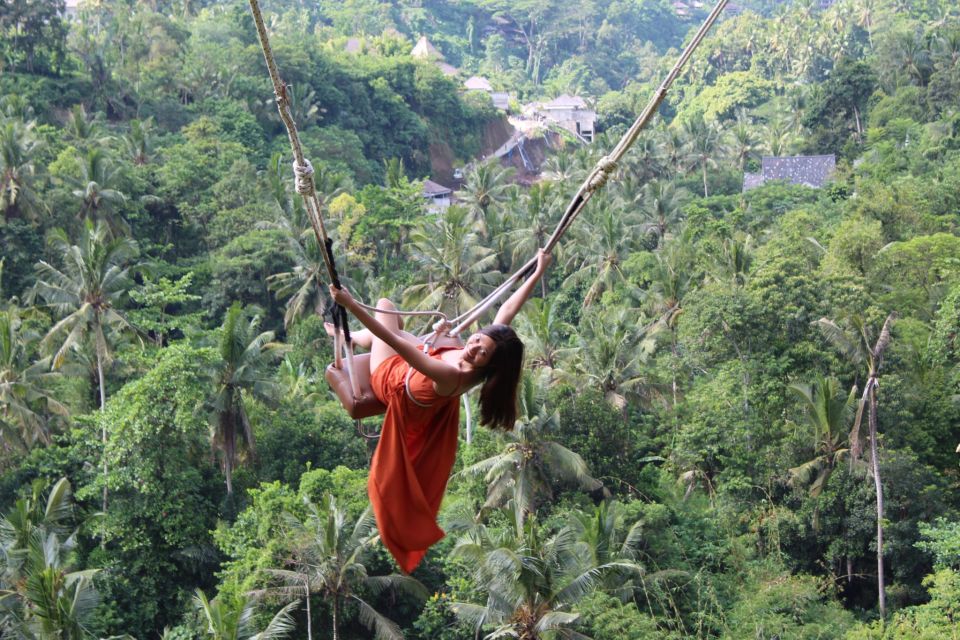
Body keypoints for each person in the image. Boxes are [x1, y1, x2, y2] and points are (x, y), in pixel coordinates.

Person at [327, 249, 552, 573]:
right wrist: (537, 272)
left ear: (490, 365)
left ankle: (349, 335)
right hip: (418, 358)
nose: (473, 347)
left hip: (391, 377)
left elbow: (395, 343)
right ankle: (346, 336)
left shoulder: (456, 375)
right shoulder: (482, 354)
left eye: (481, 353)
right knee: (392, 323)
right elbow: (505, 311)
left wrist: (350, 305)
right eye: (476, 340)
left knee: (387, 310)